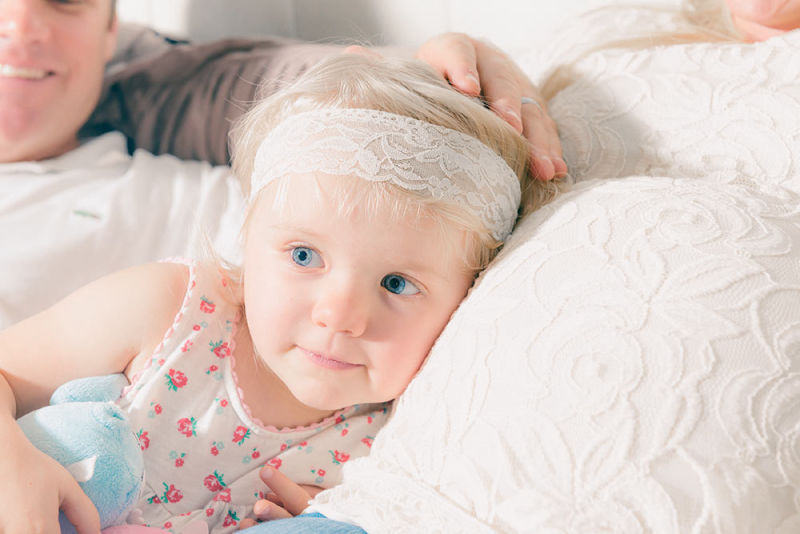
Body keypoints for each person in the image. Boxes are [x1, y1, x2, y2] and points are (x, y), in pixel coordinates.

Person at [0, 50, 557, 533]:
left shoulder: (393, 440)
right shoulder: (171, 310)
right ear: (248, 233)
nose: (339, 315)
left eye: (396, 283)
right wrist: (13, 468)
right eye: (303, 256)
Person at [0, 0, 565, 330]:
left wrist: (437, 75)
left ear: (109, 34)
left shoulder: (164, 149)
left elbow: (329, 98)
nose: (23, 28)